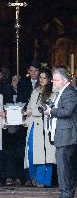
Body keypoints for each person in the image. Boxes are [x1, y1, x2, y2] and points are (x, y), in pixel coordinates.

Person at [44, 67, 77, 198]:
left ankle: (65, 194)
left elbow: (67, 111)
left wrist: (50, 111)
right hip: (63, 134)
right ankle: (66, 193)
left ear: (64, 80)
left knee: (64, 167)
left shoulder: (69, 92)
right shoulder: (61, 92)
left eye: (56, 80)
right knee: (65, 167)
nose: (53, 82)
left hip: (67, 136)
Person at [24, 68, 56, 187]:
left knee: (45, 153)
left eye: (44, 78)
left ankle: (42, 180)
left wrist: (32, 112)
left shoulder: (52, 92)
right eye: (40, 77)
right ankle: (33, 177)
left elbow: (45, 109)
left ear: (49, 80)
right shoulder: (35, 90)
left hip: (45, 125)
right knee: (32, 152)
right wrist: (26, 119)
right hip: (33, 125)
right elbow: (29, 107)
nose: (42, 80)